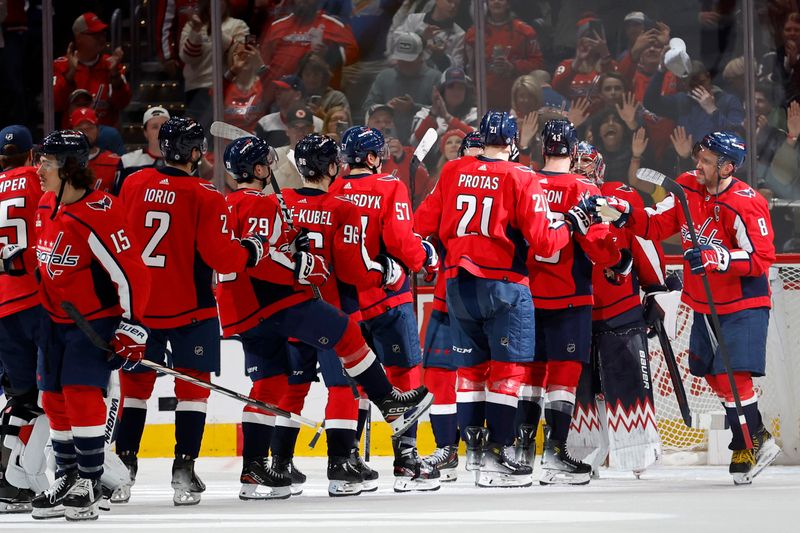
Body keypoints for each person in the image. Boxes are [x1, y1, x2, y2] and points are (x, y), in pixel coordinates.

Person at [218, 134, 435, 497]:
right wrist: (385, 273)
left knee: (287, 385)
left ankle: (277, 464)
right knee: (342, 383)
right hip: (318, 304)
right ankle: (341, 463)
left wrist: (294, 246)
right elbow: (350, 269)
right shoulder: (337, 205)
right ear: (333, 166)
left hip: (271, 310)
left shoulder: (277, 201)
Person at [414, 111, 592, 488]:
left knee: (471, 373)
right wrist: (571, 226)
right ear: (513, 143)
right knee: (508, 374)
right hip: (504, 287)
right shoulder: (520, 175)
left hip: (458, 288)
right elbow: (545, 241)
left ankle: (476, 455)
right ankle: (498, 453)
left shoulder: (453, 170)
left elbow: (420, 226)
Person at [597, 131, 781, 484]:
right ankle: (754, 435)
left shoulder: (746, 202)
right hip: (704, 301)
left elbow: (762, 258)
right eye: (700, 157)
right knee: (713, 373)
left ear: (727, 167)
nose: (698, 164)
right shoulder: (686, 188)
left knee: (733, 373)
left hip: (743, 302)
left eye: (708, 161)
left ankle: (745, 442)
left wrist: (717, 256)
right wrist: (622, 213)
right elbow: (653, 224)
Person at [112, 117, 266, 507]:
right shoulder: (205, 194)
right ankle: (184, 470)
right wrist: (252, 248)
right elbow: (222, 259)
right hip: (190, 309)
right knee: (193, 390)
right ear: (195, 152)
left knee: (135, 390)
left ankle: (124, 469)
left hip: (140, 308)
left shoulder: (133, 182)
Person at [29, 130, 151, 521]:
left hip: (92, 324)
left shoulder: (100, 211)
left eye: (46, 163)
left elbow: (132, 275)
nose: (38, 170)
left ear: (69, 168)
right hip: (53, 321)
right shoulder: (47, 202)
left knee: (80, 394)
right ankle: (65, 476)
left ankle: (90, 479)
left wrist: (132, 327)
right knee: (52, 398)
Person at [329, 126, 441, 492]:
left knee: (359, 382)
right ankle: (406, 462)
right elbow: (400, 242)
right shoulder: (390, 186)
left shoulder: (334, 190)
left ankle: (349, 463)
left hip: (348, 304)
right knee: (403, 375)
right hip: (388, 298)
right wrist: (426, 255)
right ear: (374, 157)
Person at [523, 119, 629, 486]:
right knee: (563, 379)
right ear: (571, 150)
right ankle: (555, 453)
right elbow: (599, 245)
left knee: (530, 375)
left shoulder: (525, 181)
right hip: (569, 297)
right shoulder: (584, 188)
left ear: (543, 149)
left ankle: (521, 452)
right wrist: (620, 260)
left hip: (527, 296)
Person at [572, 142, 664, 475]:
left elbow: (641, 239)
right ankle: (582, 454)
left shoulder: (616, 199)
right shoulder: (554, 196)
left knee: (628, 383)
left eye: (586, 162)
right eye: (575, 161)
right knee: (579, 389)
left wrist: (656, 289)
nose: (580, 167)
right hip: (575, 309)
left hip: (618, 308)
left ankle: (638, 453)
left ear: (599, 167)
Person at [417, 131, 485, 482]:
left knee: (488, 373)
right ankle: (448, 447)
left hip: (490, 297)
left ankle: (486, 447)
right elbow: (420, 228)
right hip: (453, 293)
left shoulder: (511, 179)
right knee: (440, 373)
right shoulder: (448, 181)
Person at [0, 125, 45, 514]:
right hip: (36, 300)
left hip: (2, 307)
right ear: (32, 156)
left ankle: (7, 479)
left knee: (22, 397)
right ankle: (77, 475)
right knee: (60, 390)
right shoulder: (36, 178)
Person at [259, 0, 359, 93]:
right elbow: (264, 62)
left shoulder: (334, 24)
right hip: (280, 95)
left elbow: (353, 53)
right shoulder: (277, 26)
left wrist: (327, 53)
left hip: (321, 97)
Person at [179, 0, 249, 131]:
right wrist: (196, 31)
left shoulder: (238, 25)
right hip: (198, 88)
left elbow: (240, 56)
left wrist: (215, 28)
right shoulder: (192, 25)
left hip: (227, 88)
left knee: (224, 131)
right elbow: (187, 57)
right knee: (199, 134)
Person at [53, 13, 132, 128]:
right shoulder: (61, 65)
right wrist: (70, 74)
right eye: (95, 34)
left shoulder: (111, 64)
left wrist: (115, 75)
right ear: (79, 37)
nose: (101, 38)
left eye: (103, 33)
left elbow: (122, 103)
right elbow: (55, 104)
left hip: (105, 137)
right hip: (72, 137)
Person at [464, 0, 544, 111]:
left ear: (508, 3)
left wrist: (514, 67)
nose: (496, 2)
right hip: (483, 104)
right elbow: (467, 69)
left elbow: (538, 65)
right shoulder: (473, 34)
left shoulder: (525, 32)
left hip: (517, 105)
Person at [363, 32, 441, 143]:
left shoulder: (435, 78)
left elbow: (443, 113)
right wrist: (385, 108)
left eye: (409, 60)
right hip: (387, 143)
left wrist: (413, 108)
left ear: (421, 57)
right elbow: (367, 107)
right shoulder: (385, 77)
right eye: (401, 60)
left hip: (424, 144)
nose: (404, 64)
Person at [365, 104, 435, 208]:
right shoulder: (356, 156)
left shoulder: (409, 153)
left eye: (387, 121)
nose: (383, 125)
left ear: (393, 126)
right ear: (366, 128)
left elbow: (422, 187)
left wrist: (402, 159)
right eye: (377, 121)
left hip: (398, 216)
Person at [389, 0, 466, 71]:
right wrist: (421, 39)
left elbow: (457, 68)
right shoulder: (413, 19)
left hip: (435, 79)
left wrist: (441, 57)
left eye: (457, 5)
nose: (453, 6)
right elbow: (395, 43)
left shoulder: (460, 34)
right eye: (449, 1)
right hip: (406, 73)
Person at [410, 67, 477, 146]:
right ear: (441, 91)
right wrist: (433, 114)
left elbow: (477, 140)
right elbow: (415, 143)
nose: (456, 91)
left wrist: (448, 117)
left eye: (460, 88)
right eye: (451, 87)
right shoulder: (424, 114)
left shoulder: (474, 114)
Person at [255, 76, 324, 148]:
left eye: (283, 89)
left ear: (297, 95)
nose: (278, 93)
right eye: (277, 89)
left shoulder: (318, 124)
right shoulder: (265, 122)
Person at [69, 107, 123, 194]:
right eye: (80, 129)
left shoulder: (114, 162)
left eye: (90, 128)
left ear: (98, 130)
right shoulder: (62, 162)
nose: (85, 134)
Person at [121, 107, 171, 172]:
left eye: (164, 126)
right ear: (145, 132)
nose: (161, 130)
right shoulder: (128, 162)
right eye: (155, 127)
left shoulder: (184, 161)